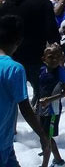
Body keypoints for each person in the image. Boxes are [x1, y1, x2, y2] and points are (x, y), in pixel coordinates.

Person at [0, 15, 51, 167]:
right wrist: (42, 135)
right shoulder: (14, 69)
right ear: (18, 41)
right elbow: (25, 108)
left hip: (7, 144)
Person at [0, 0, 59, 105]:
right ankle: (36, 116)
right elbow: (51, 30)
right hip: (36, 55)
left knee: (7, 92)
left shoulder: (6, 5)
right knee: (40, 91)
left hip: (10, 55)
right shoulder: (43, 3)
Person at [37, 43, 65, 167]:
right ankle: (57, 159)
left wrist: (50, 99)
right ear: (44, 59)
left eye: (57, 56)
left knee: (47, 137)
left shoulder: (60, 72)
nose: (55, 60)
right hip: (42, 107)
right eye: (51, 57)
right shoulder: (42, 70)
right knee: (44, 135)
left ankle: (45, 164)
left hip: (53, 110)